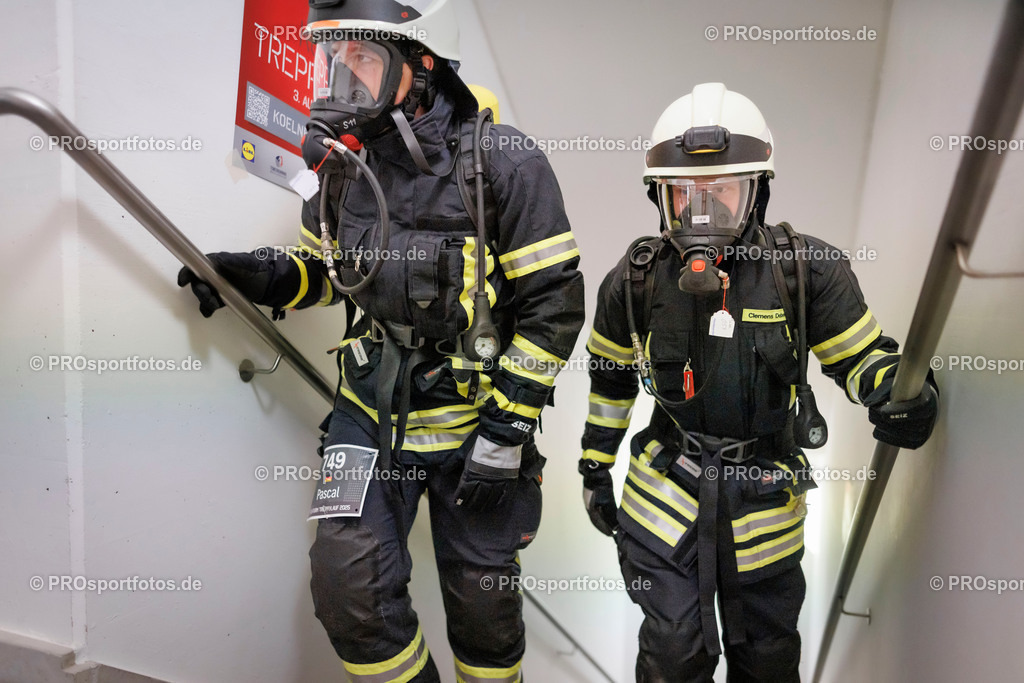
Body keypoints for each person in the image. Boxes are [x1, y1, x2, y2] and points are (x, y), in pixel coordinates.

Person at [179, 1, 584, 681]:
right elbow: (329, 275)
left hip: (474, 423)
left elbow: (555, 304)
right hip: (370, 413)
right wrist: (259, 276)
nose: (342, 77)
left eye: (362, 57)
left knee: (484, 610)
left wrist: (507, 428)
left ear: (420, 63)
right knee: (349, 590)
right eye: (335, 59)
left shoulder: (502, 162)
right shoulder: (342, 172)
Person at [578, 82, 938, 681]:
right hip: (664, 501)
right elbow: (609, 379)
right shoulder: (634, 280)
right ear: (658, 198)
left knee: (768, 660)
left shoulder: (805, 272)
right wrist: (595, 465)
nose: (701, 210)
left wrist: (904, 395)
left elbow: (862, 359)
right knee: (670, 655)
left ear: (757, 193)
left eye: (721, 191)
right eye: (683, 193)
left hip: (764, 510)